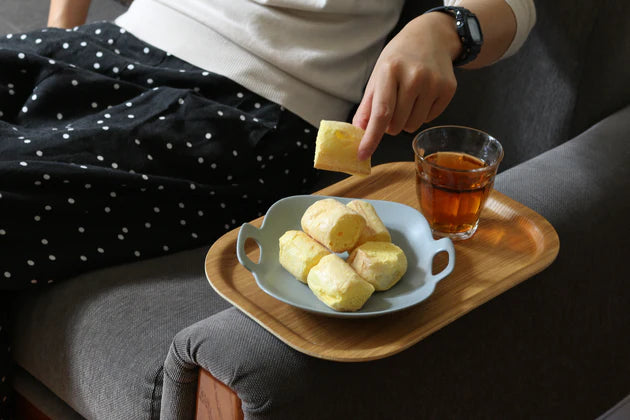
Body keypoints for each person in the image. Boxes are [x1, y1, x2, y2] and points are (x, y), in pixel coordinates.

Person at [0, 0, 536, 416]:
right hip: (112, 42)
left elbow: (514, 8)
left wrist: (441, 28)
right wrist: (62, 39)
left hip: (242, 102)